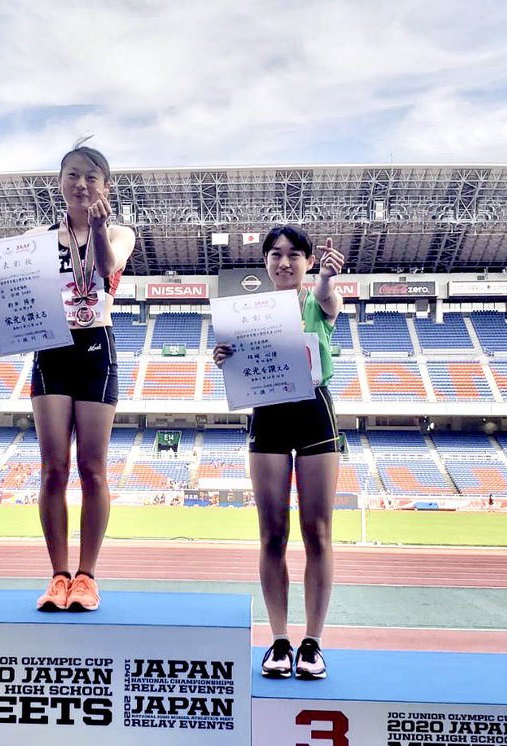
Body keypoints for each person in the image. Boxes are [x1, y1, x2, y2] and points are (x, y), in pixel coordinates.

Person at [0, 142, 136, 612]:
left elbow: (107, 269)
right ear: (60, 182)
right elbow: (11, 317)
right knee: (52, 468)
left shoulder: (120, 232)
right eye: (73, 176)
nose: (82, 185)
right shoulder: (34, 241)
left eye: (92, 178)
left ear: (106, 186)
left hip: (96, 349)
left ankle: (87, 576)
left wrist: (99, 229)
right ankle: (58, 575)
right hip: (51, 352)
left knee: (94, 469)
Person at [213, 226, 345, 680]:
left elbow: (330, 302)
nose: (284, 262)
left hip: (314, 414)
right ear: (265, 263)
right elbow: (238, 359)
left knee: (318, 532)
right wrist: (225, 354)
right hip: (267, 414)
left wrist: (327, 278)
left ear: (308, 261)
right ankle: (278, 639)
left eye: (294, 254)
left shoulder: (316, 300)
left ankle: (313, 642)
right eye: (275, 255)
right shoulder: (250, 312)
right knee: (271, 533)